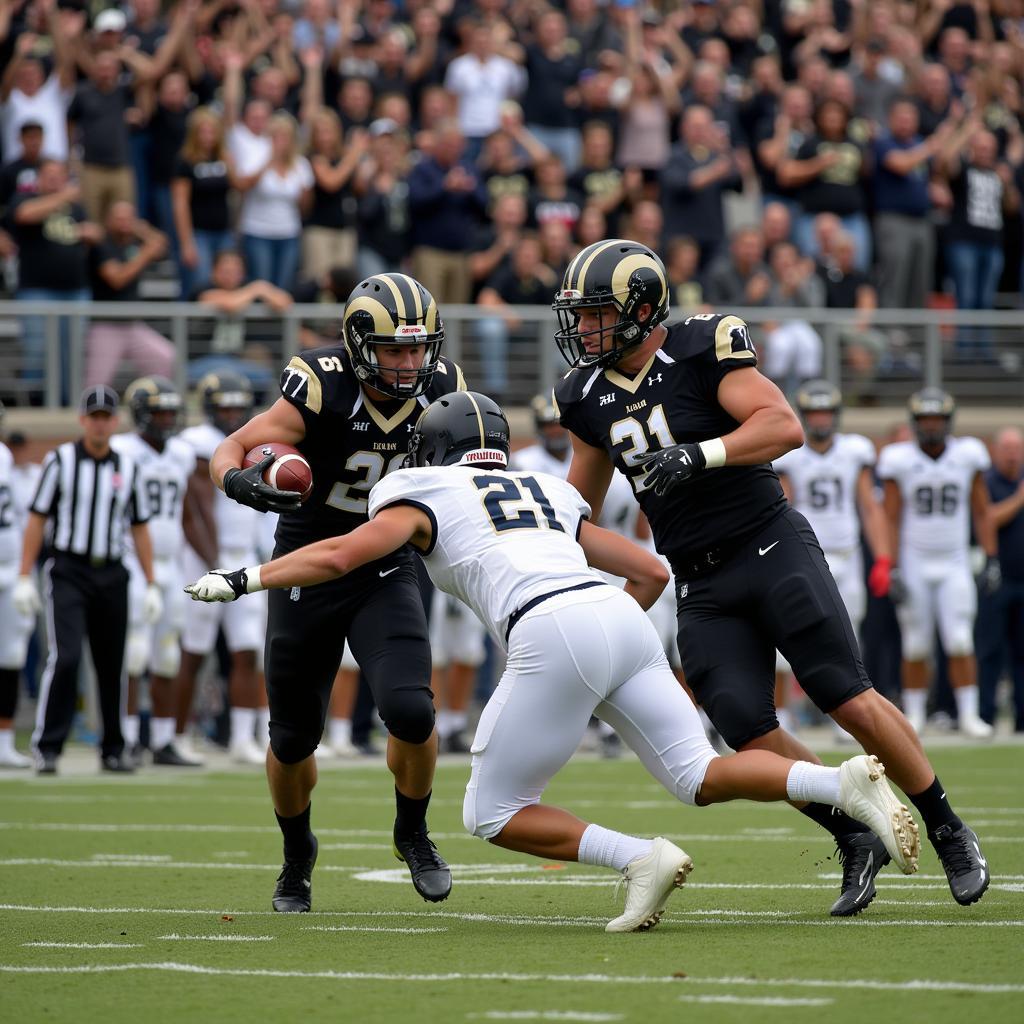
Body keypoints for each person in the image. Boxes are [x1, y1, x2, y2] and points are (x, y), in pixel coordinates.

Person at [185, 391, 920, 933]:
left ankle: (639, 858)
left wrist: (247, 578)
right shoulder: (546, 489)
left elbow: (342, 553)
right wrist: (607, 647)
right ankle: (839, 778)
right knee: (697, 773)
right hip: (615, 617)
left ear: (432, 450)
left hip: (550, 625)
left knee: (490, 811)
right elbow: (652, 571)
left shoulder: (418, 488)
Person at [551, 238, 991, 915]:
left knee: (847, 697)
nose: (583, 328)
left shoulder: (699, 346)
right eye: (578, 315)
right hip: (699, 581)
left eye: (596, 313)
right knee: (747, 730)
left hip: (767, 544)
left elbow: (781, 423)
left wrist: (700, 456)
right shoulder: (583, 395)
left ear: (642, 308)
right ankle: (851, 833)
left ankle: (946, 825)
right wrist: (547, 544)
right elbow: (580, 503)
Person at [207, 273, 466, 912]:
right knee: (293, 737)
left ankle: (413, 831)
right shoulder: (321, 382)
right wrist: (239, 481)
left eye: (417, 349)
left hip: (386, 562)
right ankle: (297, 855)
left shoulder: (443, 387)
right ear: (357, 344)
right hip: (306, 557)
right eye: (393, 350)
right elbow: (233, 446)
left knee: (412, 711)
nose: (409, 364)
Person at [14, 386, 162, 774]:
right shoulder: (60, 460)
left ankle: (113, 748)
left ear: (114, 422)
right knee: (67, 658)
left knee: (112, 663)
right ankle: (48, 746)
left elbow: (140, 527)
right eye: (93, 417)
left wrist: (151, 582)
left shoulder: (128, 467)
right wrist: (24, 574)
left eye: (106, 417)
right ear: (83, 420)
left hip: (112, 571)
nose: (99, 424)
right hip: (69, 569)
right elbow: (37, 518)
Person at [878, 389, 1000, 740]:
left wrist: (991, 558)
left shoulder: (967, 455)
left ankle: (968, 714)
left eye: (937, 420)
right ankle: (914, 715)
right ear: (916, 424)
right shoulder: (899, 459)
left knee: (960, 640)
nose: (932, 426)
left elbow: (981, 510)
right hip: (916, 561)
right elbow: (890, 517)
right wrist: (892, 565)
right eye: (926, 420)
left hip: (955, 560)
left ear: (948, 422)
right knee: (915, 643)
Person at [773, 381, 892, 738]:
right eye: (814, 413)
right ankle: (784, 712)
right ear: (805, 417)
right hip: (804, 556)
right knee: (788, 631)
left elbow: (870, 508)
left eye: (826, 412)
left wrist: (883, 558)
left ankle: (849, 717)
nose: (821, 419)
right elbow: (780, 507)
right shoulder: (791, 454)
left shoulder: (855, 452)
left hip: (847, 554)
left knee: (849, 637)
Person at [175, 373, 269, 766]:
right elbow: (194, 511)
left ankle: (244, 737)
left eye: (237, 406)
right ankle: (175, 736)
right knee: (193, 651)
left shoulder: (257, 437)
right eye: (224, 406)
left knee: (248, 650)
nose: (231, 413)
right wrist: (214, 564)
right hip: (203, 558)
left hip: (244, 555)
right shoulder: (195, 443)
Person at [110, 377, 203, 767]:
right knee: (133, 654)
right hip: (132, 559)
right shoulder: (121, 450)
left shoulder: (182, 453)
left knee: (168, 654)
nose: (167, 419)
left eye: (171, 411)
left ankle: (163, 740)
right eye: (160, 412)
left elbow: (185, 511)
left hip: (172, 561)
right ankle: (128, 737)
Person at [84, 202, 175, 389]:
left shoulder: (134, 242)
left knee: (165, 356)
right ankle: (90, 416)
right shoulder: (102, 245)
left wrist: (143, 230)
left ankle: (155, 406)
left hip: (132, 324)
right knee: (97, 383)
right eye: (119, 218)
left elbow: (162, 245)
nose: (124, 223)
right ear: (108, 221)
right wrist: (144, 255)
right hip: (105, 324)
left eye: (128, 218)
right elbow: (117, 279)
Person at [977, 428, 1024, 732]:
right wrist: (1020, 499)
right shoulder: (986, 482)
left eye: (1016, 448)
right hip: (997, 579)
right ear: (995, 451)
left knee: (1022, 653)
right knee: (990, 650)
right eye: (1006, 447)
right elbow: (987, 518)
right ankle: (985, 716)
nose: (1011, 453)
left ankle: (1022, 719)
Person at [0, 401, 33, 767]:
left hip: (9, 566)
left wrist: (24, 571)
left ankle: (4, 739)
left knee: (10, 654)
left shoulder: (3, 456)